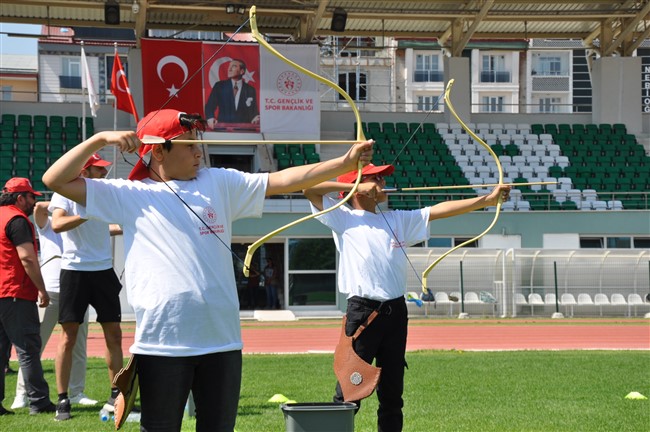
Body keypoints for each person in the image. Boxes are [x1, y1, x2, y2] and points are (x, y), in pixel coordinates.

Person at [42, 108, 373, 431]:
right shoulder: (130, 194)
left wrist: (344, 163)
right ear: (158, 151)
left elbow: (282, 179)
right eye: (188, 145)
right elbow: (54, 179)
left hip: (222, 343)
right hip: (161, 345)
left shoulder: (219, 182)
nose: (199, 152)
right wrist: (100, 139)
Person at [303, 164, 511, 432]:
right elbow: (309, 188)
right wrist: (354, 188)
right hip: (364, 313)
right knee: (348, 392)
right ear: (357, 186)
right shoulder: (342, 217)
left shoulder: (398, 219)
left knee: (392, 395)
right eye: (375, 178)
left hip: (396, 312)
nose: (382, 182)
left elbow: (439, 211)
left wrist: (488, 199)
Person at [49, 153, 123, 421]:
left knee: (114, 335)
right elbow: (56, 224)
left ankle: (117, 395)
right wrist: (87, 214)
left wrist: (123, 227)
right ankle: (62, 400)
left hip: (103, 270)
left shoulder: (104, 193)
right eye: (99, 170)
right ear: (84, 170)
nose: (104, 173)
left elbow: (104, 227)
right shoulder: (65, 194)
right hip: (74, 272)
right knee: (68, 337)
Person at [11, 201, 97, 410]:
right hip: (51, 289)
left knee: (78, 344)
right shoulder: (48, 223)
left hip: (77, 288)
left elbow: (108, 228)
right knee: (33, 346)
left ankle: (76, 392)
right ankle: (23, 394)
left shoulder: (79, 222)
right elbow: (39, 207)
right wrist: (69, 202)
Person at [0, 178, 56, 416]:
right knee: (28, 349)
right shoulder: (18, 220)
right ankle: (39, 401)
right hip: (15, 292)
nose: (36, 201)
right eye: (32, 197)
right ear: (20, 198)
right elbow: (28, 259)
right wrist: (42, 289)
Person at [204, 59, 260, 127]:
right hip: (223, 129)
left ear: (242, 71)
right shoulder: (219, 86)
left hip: (244, 130)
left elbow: (253, 111)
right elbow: (210, 106)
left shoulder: (250, 89)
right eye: (229, 66)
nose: (229, 69)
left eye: (233, 66)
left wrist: (256, 117)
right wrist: (210, 117)